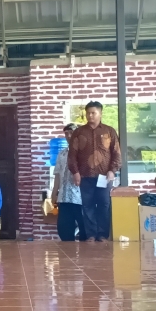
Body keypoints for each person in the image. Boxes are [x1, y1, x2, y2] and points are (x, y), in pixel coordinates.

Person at [67, 101, 121, 242]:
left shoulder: (109, 131)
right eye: (88, 113)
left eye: (93, 113)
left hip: (104, 176)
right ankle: (91, 235)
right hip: (85, 175)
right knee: (88, 205)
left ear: (100, 113)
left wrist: (112, 170)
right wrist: (75, 172)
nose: (90, 116)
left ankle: (103, 234)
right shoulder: (78, 132)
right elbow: (72, 154)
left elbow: (116, 153)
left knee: (104, 203)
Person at [51, 123, 85, 241]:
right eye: (66, 134)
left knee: (83, 227)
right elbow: (57, 175)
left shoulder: (84, 154)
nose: (69, 136)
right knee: (64, 228)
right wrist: (54, 193)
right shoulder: (62, 154)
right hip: (64, 197)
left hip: (80, 197)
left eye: (72, 133)